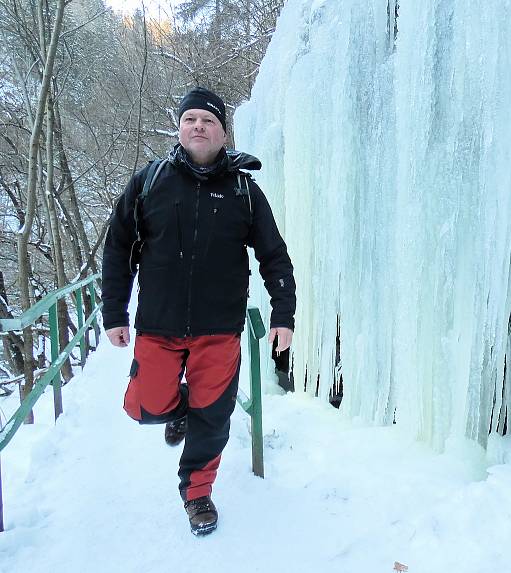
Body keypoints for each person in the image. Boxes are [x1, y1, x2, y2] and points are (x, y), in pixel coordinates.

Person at [101, 87, 296, 536]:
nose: (198, 126)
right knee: (144, 405)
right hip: (159, 324)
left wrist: (283, 314)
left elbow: (274, 255)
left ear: (223, 133)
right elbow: (118, 248)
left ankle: (197, 493)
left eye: (208, 121)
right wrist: (114, 312)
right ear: (180, 128)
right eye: (190, 119)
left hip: (219, 328)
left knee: (214, 416)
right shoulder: (150, 181)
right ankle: (182, 407)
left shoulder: (245, 192)